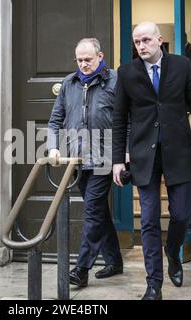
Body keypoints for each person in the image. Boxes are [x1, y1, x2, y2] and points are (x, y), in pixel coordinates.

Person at [112, 22, 191, 300]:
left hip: (177, 152)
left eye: (147, 40)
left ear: (160, 41)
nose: (141, 46)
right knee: (149, 220)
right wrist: (118, 159)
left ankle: (173, 252)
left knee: (181, 215)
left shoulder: (181, 65)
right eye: (137, 41)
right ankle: (154, 284)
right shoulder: (126, 73)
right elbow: (119, 119)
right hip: (143, 155)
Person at [47, 38, 124, 287]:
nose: (83, 64)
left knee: (92, 211)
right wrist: (52, 147)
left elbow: (128, 118)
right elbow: (54, 120)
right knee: (99, 210)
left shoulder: (114, 81)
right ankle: (114, 260)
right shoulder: (70, 83)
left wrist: (126, 153)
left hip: (105, 158)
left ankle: (81, 268)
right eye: (79, 60)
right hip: (77, 160)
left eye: (88, 60)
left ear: (100, 56)